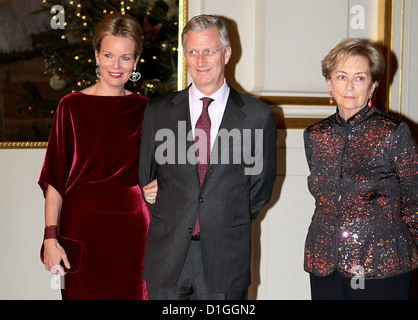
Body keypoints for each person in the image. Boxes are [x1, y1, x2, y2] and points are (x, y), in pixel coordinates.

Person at [139, 14, 277, 300]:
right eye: (192, 51)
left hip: (225, 259)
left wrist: (224, 215)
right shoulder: (159, 112)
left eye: (209, 51)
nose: (200, 61)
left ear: (226, 53)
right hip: (167, 259)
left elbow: (260, 189)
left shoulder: (257, 116)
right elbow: (147, 176)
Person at [39, 13, 150, 300]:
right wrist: (50, 237)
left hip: (134, 231)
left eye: (126, 58)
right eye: (109, 55)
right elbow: (55, 180)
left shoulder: (147, 110)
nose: (116, 65)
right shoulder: (71, 106)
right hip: (82, 230)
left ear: (136, 62)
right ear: (97, 55)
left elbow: (165, 169)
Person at [304, 38, 418, 300]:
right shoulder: (315, 135)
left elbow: (414, 199)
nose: (350, 86)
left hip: (382, 264)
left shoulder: (393, 133)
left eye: (360, 78)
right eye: (342, 76)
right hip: (324, 262)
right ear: (329, 83)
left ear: (373, 85)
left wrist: (396, 244)